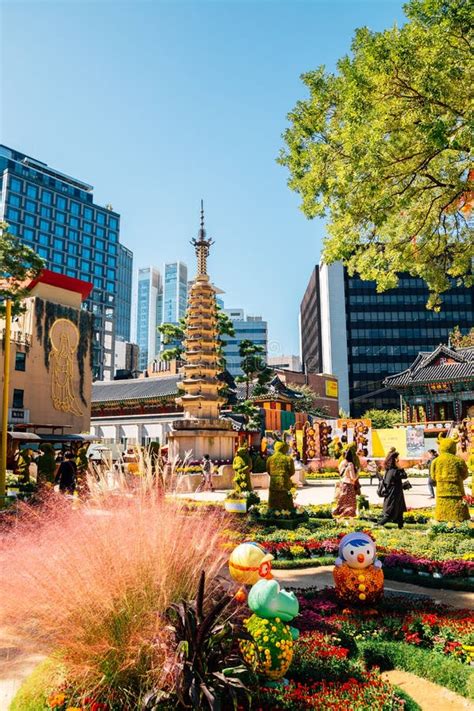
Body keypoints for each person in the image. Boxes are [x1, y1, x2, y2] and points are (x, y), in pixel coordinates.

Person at [377, 450, 408, 529]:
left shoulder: (389, 470)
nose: (398, 460)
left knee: (399, 510)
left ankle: (401, 526)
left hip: (396, 493)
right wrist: (400, 467)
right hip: (394, 494)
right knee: (390, 514)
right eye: (397, 459)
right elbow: (404, 475)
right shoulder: (394, 471)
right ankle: (378, 525)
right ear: (394, 460)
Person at [333, 447, 359, 518]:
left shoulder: (342, 463)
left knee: (342, 502)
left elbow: (340, 473)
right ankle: (347, 517)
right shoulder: (350, 464)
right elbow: (353, 478)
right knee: (351, 504)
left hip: (342, 484)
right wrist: (358, 473)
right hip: (349, 485)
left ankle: (339, 515)